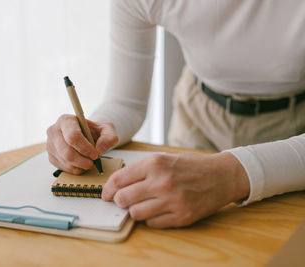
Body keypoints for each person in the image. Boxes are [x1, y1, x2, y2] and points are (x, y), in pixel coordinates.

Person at [46, 0, 305, 228]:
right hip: (198, 114)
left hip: (294, 126)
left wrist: (230, 174)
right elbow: (126, 103)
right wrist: (93, 130)